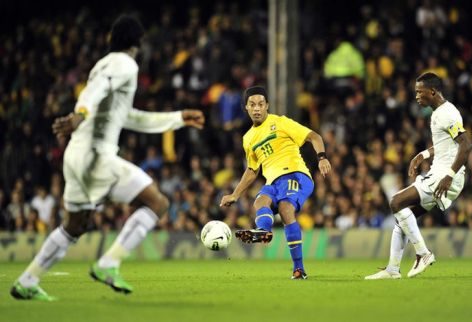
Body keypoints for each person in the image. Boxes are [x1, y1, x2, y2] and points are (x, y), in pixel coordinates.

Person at [10, 15, 205, 301]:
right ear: (138, 41)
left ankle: (28, 280)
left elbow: (127, 116)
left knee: (75, 225)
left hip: (74, 157)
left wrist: (177, 118)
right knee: (158, 203)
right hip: (95, 154)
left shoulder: (101, 64)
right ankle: (109, 263)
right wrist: (80, 114)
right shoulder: (124, 64)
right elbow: (94, 91)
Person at [365, 72, 472, 280]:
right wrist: (422, 154)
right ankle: (393, 270)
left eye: (419, 92)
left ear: (432, 91)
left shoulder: (447, 113)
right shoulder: (438, 113)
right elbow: (444, 146)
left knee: (396, 202)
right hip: (440, 172)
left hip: (445, 175)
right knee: (405, 219)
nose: (416, 96)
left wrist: (449, 175)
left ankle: (423, 253)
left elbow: (466, 145)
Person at [220, 86, 331, 279]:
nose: (256, 108)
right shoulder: (248, 139)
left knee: (285, 207)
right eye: (252, 105)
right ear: (246, 107)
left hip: (296, 175)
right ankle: (263, 231)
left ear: (267, 106)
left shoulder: (280, 122)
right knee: (260, 202)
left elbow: (314, 136)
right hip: (273, 182)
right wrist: (235, 194)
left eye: (260, 104)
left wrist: (322, 157)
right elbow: (252, 170)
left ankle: (299, 269)